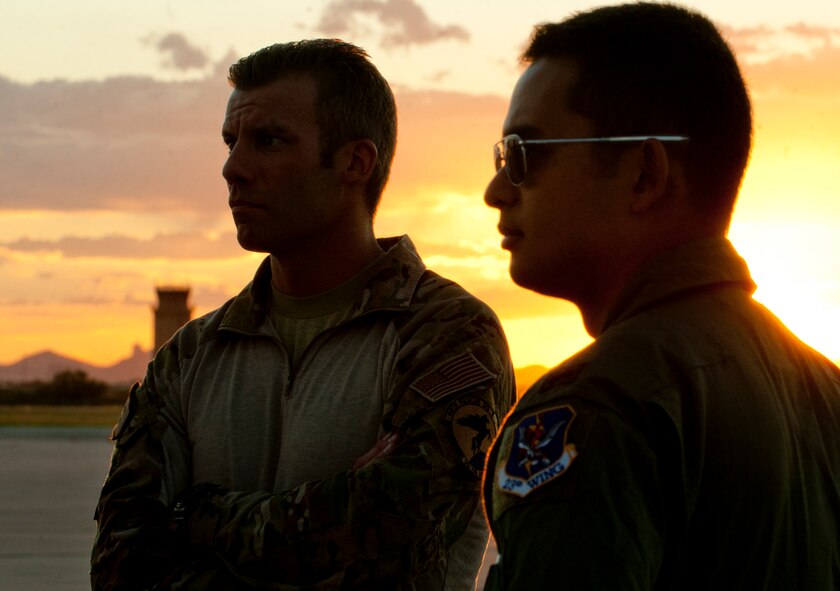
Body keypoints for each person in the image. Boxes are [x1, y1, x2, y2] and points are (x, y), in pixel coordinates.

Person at [90, 39, 514, 590]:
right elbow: (121, 569)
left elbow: (389, 544)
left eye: (268, 141)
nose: (232, 168)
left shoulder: (448, 334)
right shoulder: (191, 355)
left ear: (354, 162)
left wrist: (196, 516)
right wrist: (325, 515)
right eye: (229, 141)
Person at [481, 3, 840, 590]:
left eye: (523, 154)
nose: (496, 191)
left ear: (645, 173)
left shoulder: (599, 406)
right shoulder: (825, 389)